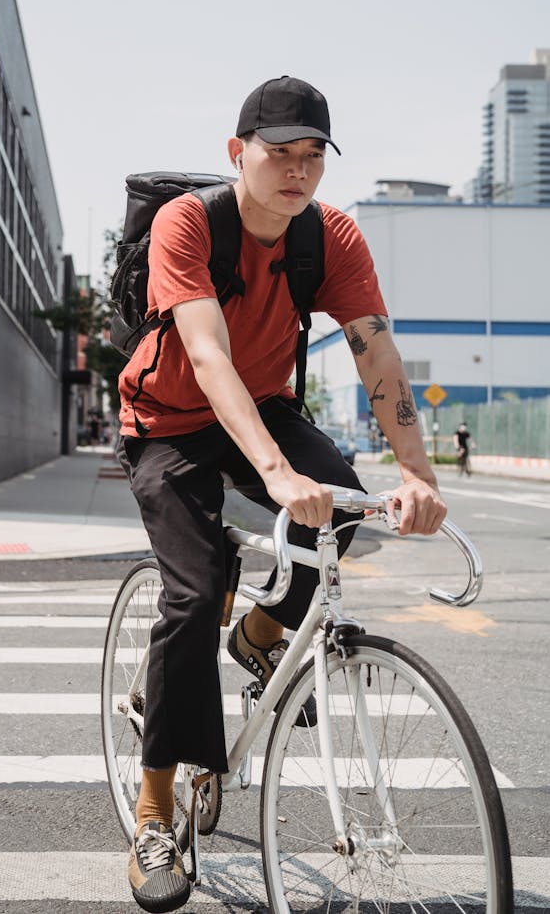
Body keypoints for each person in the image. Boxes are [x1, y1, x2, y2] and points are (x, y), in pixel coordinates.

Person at [116, 75, 447, 913]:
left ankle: (262, 634)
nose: (297, 171)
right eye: (279, 153)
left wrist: (419, 474)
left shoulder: (330, 238)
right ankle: (155, 811)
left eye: (313, 157)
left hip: (263, 408)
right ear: (239, 153)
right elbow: (207, 354)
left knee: (341, 519)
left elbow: (376, 354)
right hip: (168, 417)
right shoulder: (185, 223)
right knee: (193, 594)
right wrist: (272, 472)